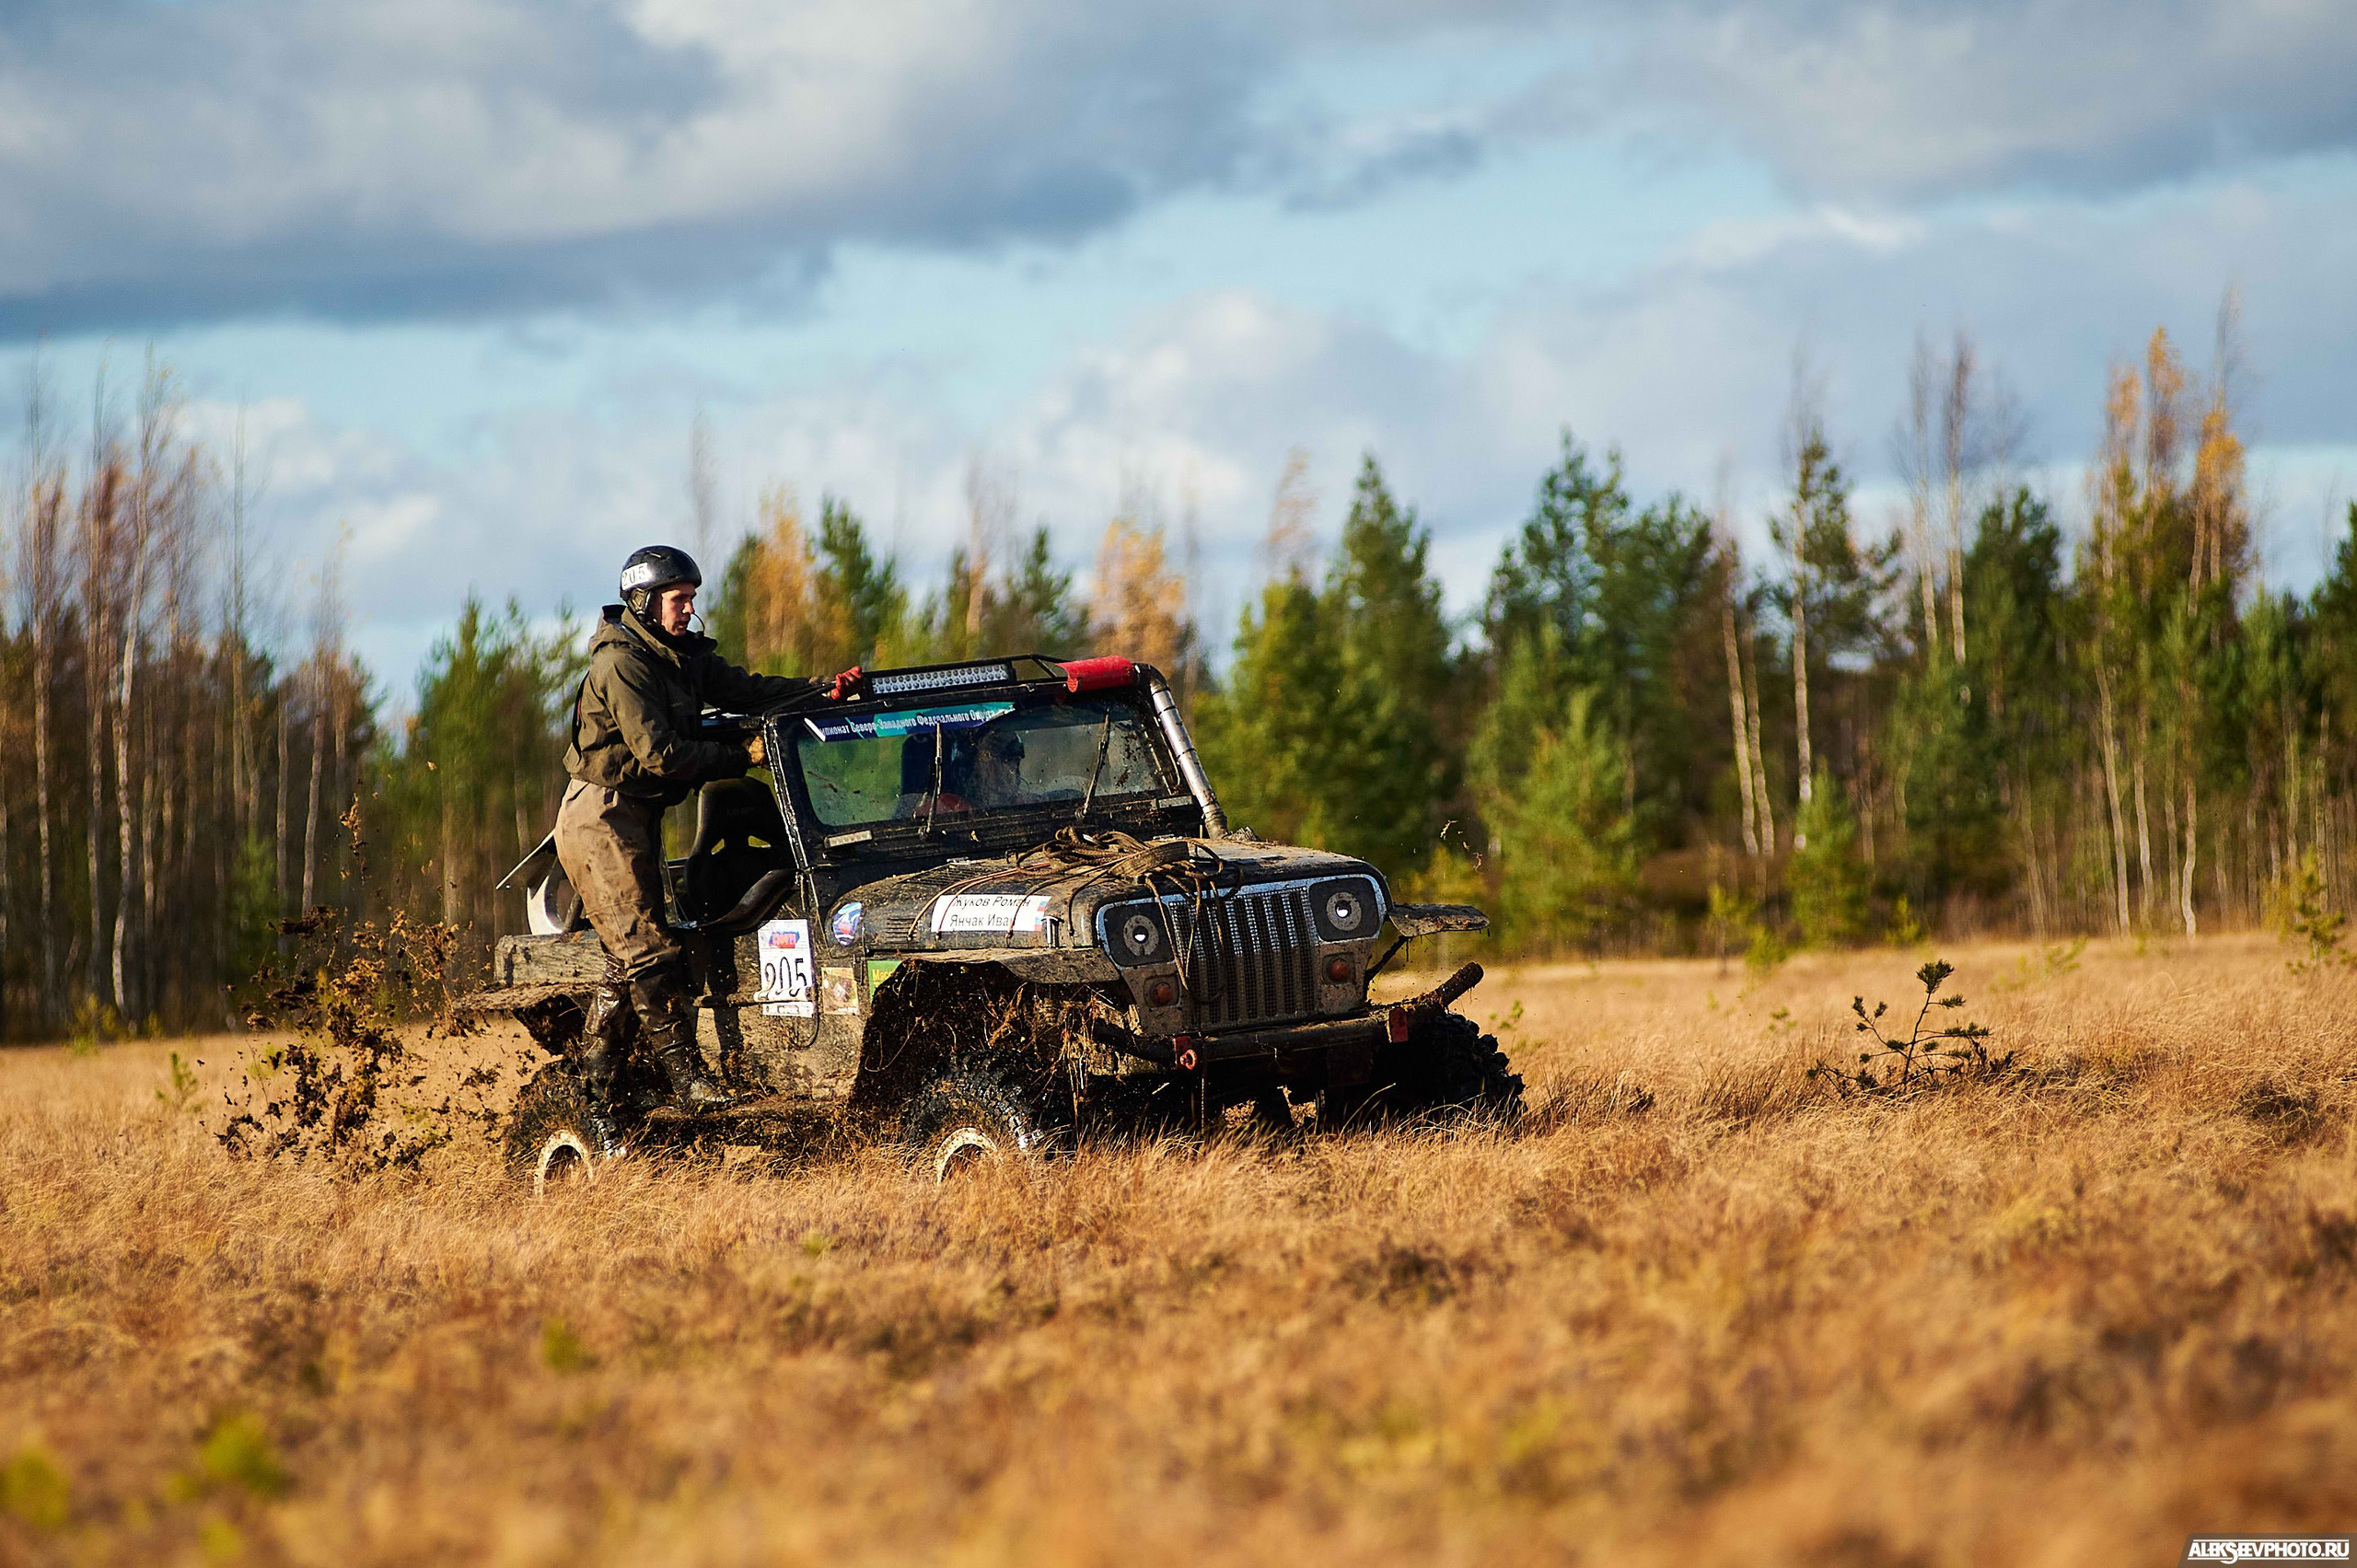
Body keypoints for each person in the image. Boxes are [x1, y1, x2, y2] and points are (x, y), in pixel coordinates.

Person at [557, 544, 821, 1115]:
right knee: (651, 954)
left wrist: (821, 692)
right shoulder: (621, 661)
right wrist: (741, 755)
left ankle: (594, 1097)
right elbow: (662, 755)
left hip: (635, 817)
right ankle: (689, 1083)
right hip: (601, 815)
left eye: (692, 599)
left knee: (622, 961)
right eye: (679, 600)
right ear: (646, 602)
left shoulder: (680, 655)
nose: (689, 610)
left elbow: (746, 690)